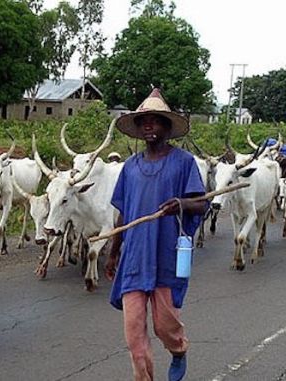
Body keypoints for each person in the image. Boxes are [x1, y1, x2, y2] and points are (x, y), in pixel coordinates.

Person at [104, 88, 208, 381]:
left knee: (165, 326)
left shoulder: (183, 162)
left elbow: (202, 204)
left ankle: (178, 349)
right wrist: (114, 252)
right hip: (134, 257)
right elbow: (124, 212)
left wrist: (182, 204)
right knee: (134, 335)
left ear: (166, 127)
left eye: (156, 120)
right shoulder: (130, 167)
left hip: (166, 255)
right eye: (144, 121)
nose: (149, 125)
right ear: (138, 128)